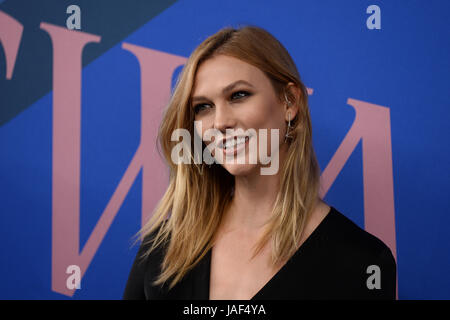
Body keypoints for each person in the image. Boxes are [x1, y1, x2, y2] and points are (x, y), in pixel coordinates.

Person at [123, 25, 396, 300]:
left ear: (290, 102)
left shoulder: (362, 261)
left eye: (238, 95)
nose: (220, 122)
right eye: (203, 107)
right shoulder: (163, 246)